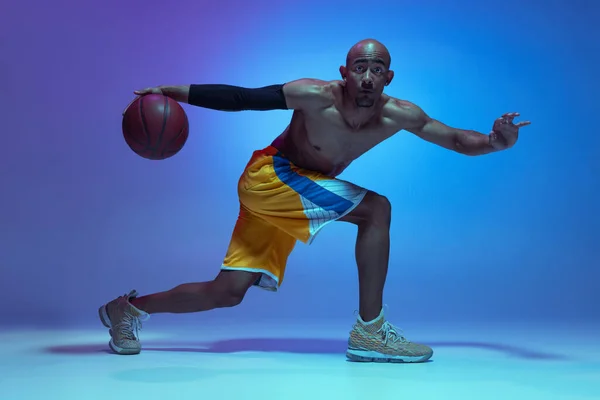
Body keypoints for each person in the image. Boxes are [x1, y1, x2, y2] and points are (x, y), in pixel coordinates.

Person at [99, 39, 530, 362]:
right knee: (376, 209)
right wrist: (175, 91)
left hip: (289, 193)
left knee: (227, 292)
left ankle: (128, 309)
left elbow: (454, 138)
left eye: (376, 68)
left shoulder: (401, 114)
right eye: (359, 66)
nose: (366, 75)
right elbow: (244, 98)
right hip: (272, 176)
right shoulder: (313, 95)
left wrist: (495, 142)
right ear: (344, 71)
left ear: (388, 78)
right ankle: (370, 331)